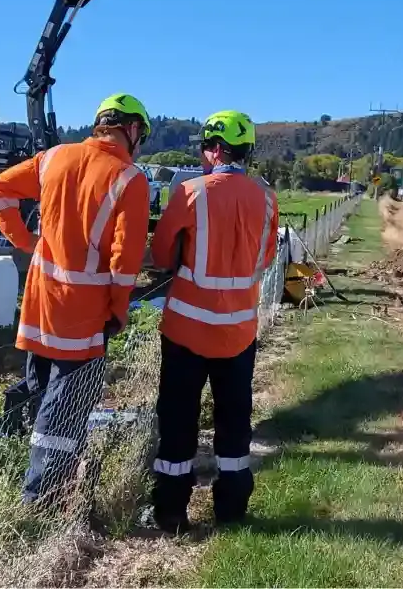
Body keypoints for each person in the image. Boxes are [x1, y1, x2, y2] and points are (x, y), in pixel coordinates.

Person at [0, 93, 151, 506]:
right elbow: (124, 259)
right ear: (131, 129)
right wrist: (117, 309)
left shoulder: (54, 157)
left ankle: (36, 482)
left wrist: (28, 242)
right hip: (83, 312)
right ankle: (43, 499)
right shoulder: (129, 178)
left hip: (40, 301)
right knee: (67, 407)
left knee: (43, 392)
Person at [147, 109, 279, 533]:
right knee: (235, 420)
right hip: (239, 331)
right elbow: (266, 259)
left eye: (206, 147)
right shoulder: (267, 199)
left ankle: (171, 511)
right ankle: (232, 509)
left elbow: (161, 254)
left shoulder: (189, 192)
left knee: (178, 420)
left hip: (186, 330)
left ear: (215, 149)